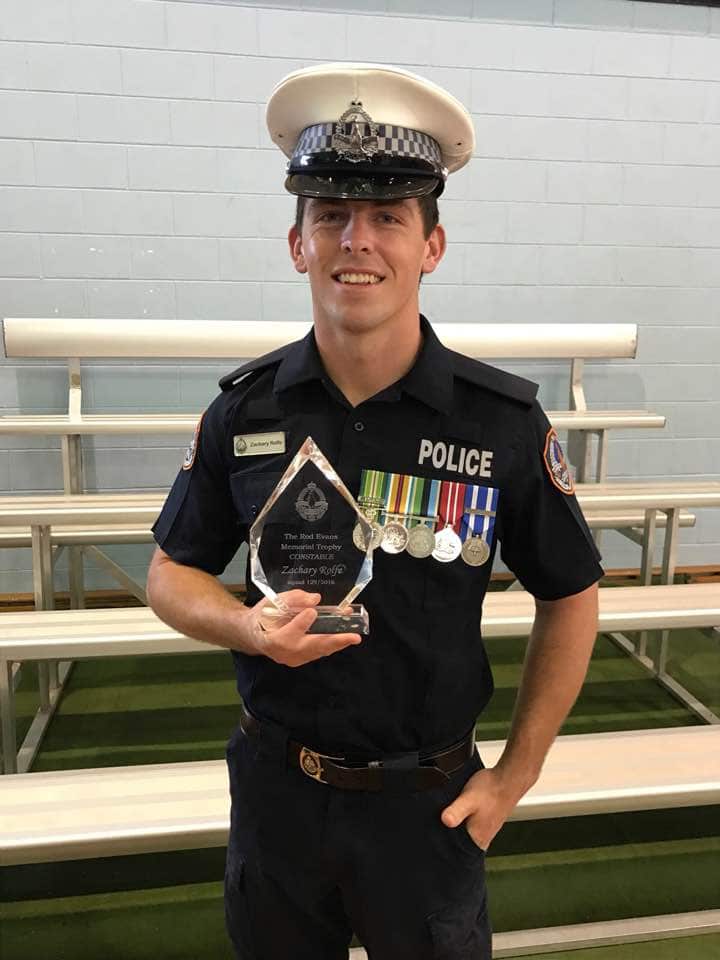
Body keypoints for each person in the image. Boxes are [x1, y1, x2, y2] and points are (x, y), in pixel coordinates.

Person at [147, 63, 604, 960]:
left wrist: (516, 775)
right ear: (297, 244)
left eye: (389, 217)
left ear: (431, 246)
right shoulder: (245, 412)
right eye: (331, 216)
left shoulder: (498, 424)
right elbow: (169, 574)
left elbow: (573, 592)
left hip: (424, 805)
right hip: (278, 790)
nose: (358, 240)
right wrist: (247, 629)